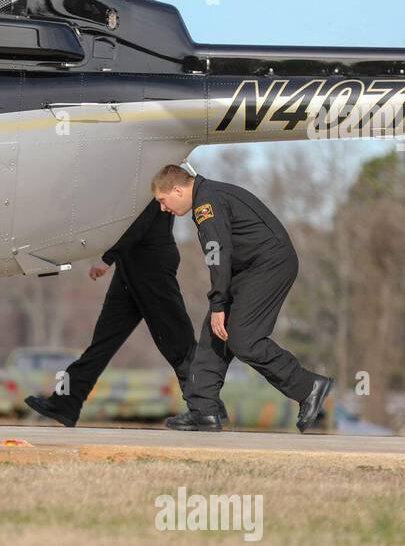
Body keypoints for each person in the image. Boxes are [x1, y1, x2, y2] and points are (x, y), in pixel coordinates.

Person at [150, 164, 333, 433]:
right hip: (251, 268)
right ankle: (204, 411)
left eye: (162, 201)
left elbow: (218, 254)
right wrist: (219, 306)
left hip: (269, 265)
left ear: (177, 190)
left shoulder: (206, 204)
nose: (163, 209)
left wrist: (218, 303)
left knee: (243, 339)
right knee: (215, 335)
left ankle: (309, 387)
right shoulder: (209, 194)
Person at [25, 197, 197, 428]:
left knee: (178, 341)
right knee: (102, 343)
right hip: (129, 268)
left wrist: (107, 260)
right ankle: (65, 403)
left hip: (152, 268)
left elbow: (138, 225)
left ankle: (206, 407)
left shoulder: (150, 178)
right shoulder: (131, 179)